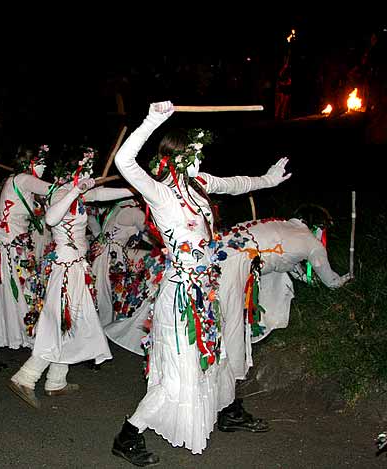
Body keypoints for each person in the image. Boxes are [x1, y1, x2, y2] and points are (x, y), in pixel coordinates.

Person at [110, 101, 291, 465]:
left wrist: (268, 180)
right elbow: (124, 162)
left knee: (216, 358)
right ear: (175, 158)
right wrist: (152, 121)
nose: (200, 161)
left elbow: (236, 184)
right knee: (179, 373)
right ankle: (128, 435)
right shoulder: (160, 193)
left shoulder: (200, 185)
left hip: (205, 293)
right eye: (193, 154)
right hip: (179, 298)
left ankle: (228, 411)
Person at [7, 146, 133, 409]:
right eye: (86, 168)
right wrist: (76, 189)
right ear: (73, 170)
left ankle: (56, 380)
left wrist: (136, 190)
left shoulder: (78, 194)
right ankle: (25, 377)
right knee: (61, 321)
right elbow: (52, 219)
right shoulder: (62, 192)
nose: (90, 174)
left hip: (76, 268)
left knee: (71, 321)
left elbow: (99, 194)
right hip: (65, 270)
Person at [217, 216, 351, 384]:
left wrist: (308, 280)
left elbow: (287, 261)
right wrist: (347, 279)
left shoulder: (284, 225)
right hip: (234, 264)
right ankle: (232, 377)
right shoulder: (313, 243)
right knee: (230, 320)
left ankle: (263, 325)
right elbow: (331, 281)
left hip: (217, 247)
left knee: (279, 278)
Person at [0, 145, 52, 372]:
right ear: (29, 163)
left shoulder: (20, 182)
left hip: (17, 250)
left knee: (23, 298)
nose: (44, 167)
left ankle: (29, 340)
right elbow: (52, 189)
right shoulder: (23, 180)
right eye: (40, 162)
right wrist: (78, 185)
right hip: (8, 252)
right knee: (7, 300)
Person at [90, 198, 147, 327]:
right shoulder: (134, 211)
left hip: (102, 254)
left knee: (101, 290)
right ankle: (105, 327)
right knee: (109, 292)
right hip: (114, 257)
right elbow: (151, 233)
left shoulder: (117, 207)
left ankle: (99, 324)